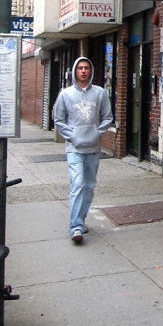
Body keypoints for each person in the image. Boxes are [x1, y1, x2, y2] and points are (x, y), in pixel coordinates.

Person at [54, 57, 113, 243]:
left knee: (88, 186)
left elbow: (107, 117)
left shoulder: (100, 93)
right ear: (74, 71)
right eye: (80, 68)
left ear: (91, 71)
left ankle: (81, 220)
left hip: (93, 148)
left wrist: (96, 134)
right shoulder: (66, 94)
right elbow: (58, 121)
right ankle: (75, 227)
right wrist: (73, 136)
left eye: (86, 68)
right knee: (78, 183)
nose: (83, 71)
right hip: (74, 148)